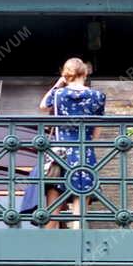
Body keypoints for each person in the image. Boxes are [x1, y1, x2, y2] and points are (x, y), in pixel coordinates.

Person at [38, 57, 106, 227]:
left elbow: (43, 106)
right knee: (80, 200)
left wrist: (59, 83)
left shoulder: (59, 94)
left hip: (60, 152)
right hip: (84, 151)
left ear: (66, 74)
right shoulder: (98, 96)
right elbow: (97, 130)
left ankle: (48, 242)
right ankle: (79, 238)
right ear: (85, 73)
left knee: (53, 206)